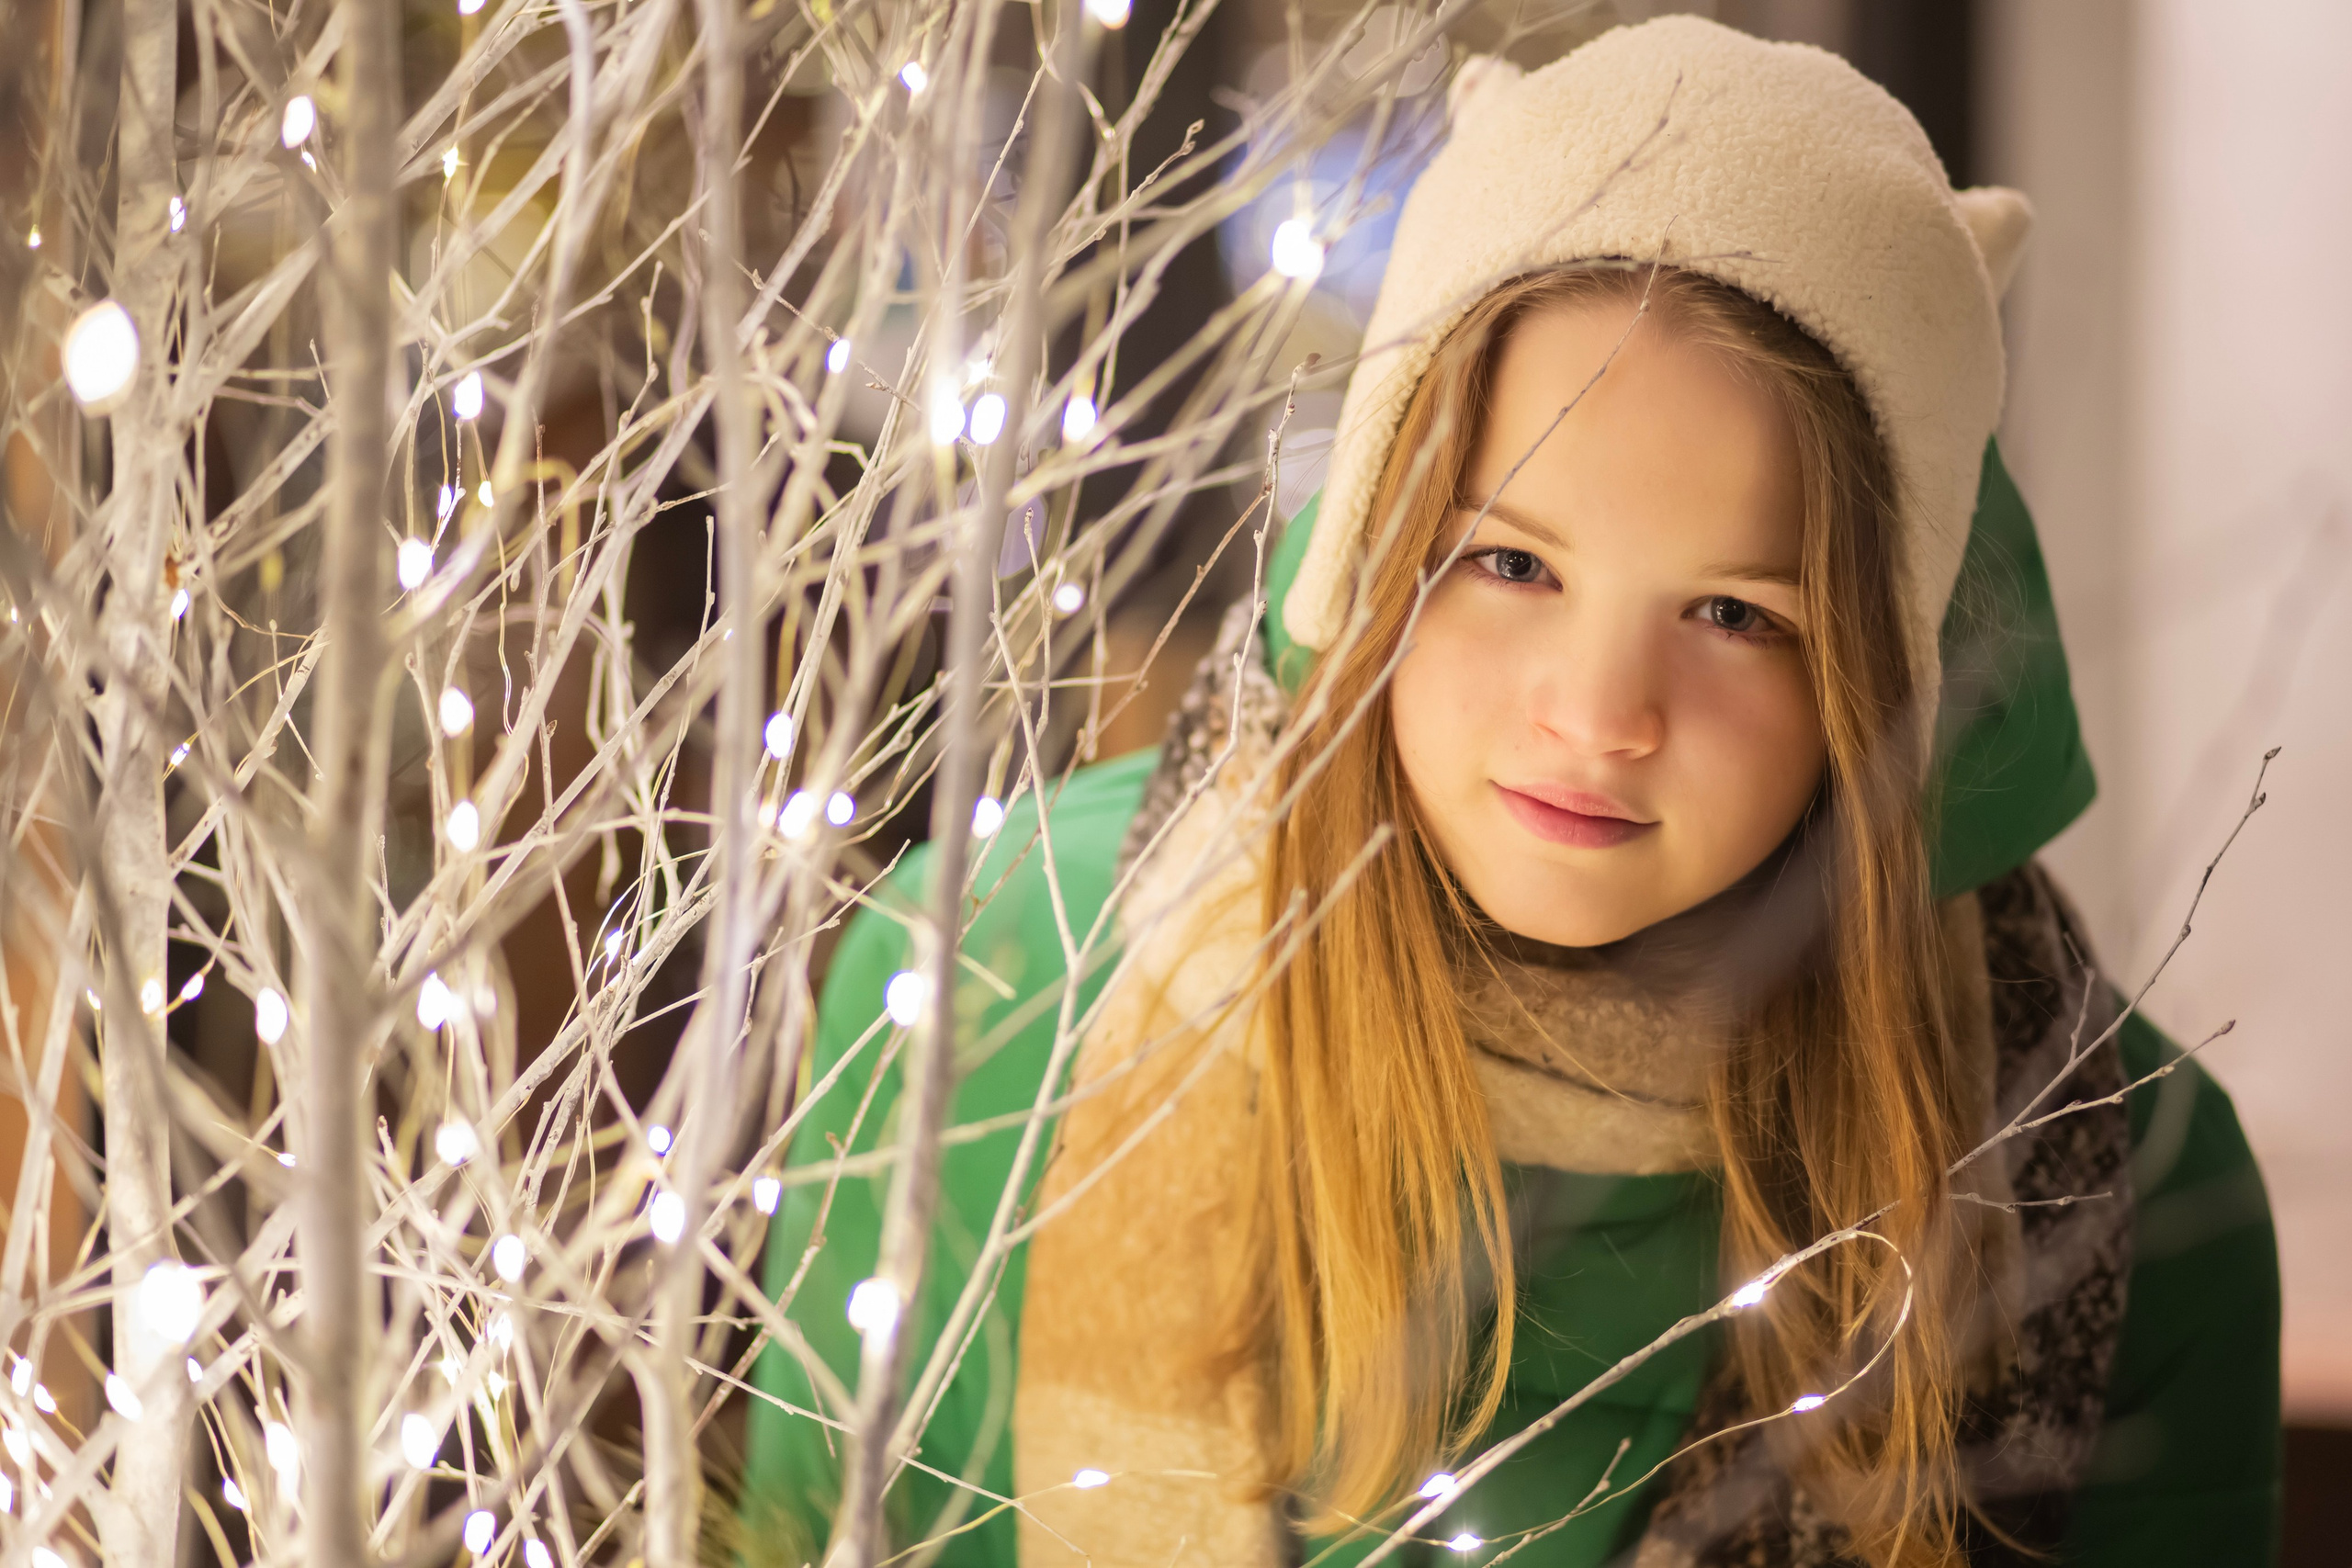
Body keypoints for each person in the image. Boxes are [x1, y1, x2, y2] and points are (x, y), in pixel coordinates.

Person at [744, 17, 2280, 1567]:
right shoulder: (996, 977)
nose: (1599, 715)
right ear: (1372, 545)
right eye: (1509, 562)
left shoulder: (2111, 1182)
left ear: (1885, 677)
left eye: (1738, 613)